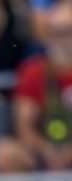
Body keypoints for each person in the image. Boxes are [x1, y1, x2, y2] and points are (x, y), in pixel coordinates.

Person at [12, 1, 72, 171]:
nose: (61, 41)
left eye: (67, 32)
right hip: (43, 155)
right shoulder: (34, 72)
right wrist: (46, 150)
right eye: (54, 33)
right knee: (6, 153)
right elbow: (24, 126)